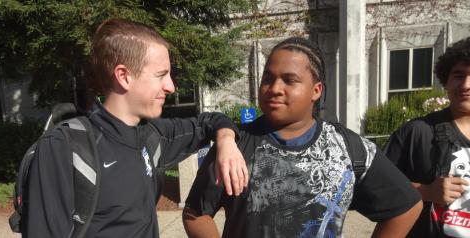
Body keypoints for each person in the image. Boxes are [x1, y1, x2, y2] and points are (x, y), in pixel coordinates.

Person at [24, 18, 248, 238]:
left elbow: (210, 122)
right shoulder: (64, 148)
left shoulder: (151, 136)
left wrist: (226, 142)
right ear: (124, 76)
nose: (171, 86)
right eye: (161, 75)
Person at [182, 37, 423, 238]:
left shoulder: (349, 149)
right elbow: (195, 212)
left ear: (315, 90)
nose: (275, 88)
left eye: (289, 80)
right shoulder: (234, 147)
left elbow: (406, 207)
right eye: (268, 78)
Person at [385, 34, 470, 238]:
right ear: (445, 81)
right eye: (458, 75)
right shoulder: (417, 133)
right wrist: (426, 191)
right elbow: (377, 191)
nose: (466, 84)